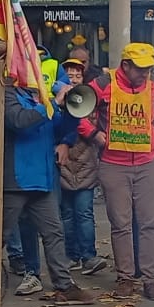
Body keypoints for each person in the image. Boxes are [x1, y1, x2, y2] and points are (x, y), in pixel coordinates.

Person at [0, 79, 96, 307]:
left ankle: (64, 286)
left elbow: (59, 128)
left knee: (54, 233)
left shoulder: (36, 95)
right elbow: (19, 121)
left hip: (42, 179)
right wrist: (51, 102)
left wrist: (69, 110)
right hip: (15, 179)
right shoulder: (3, 91)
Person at [79, 42, 154, 300]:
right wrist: (92, 134)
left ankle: (150, 279)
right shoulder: (104, 83)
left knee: (149, 223)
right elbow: (77, 106)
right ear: (125, 65)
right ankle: (125, 278)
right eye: (141, 69)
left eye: (149, 68)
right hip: (114, 165)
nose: (146, 73)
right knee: (121, 225)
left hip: (149, 163)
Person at [55, 59, 107, 275]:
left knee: (84, 213)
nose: (74, 79)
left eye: (77, 75)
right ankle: (71, 255)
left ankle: (88, 256)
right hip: (64, 166)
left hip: (86, 165)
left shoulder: (90, 102)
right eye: (70, 75)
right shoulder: (56, 102)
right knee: (67, 214)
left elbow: (93, 127)